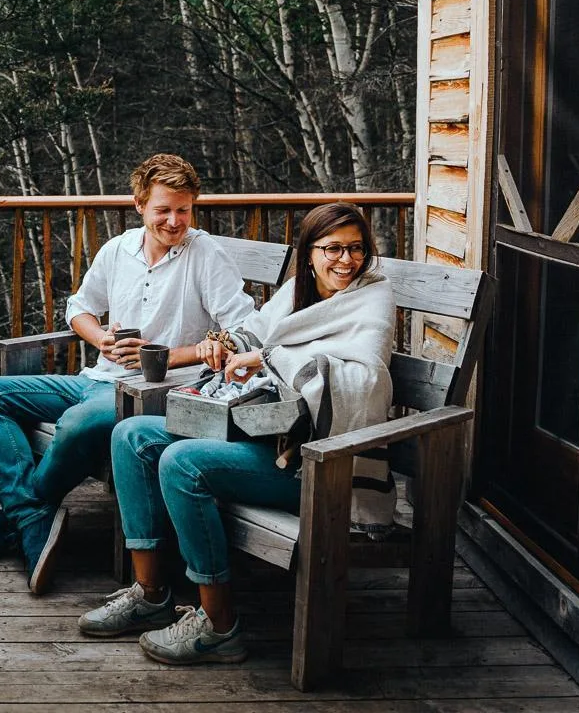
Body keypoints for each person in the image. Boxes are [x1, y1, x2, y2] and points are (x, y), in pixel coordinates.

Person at [77, 202, 395, 664]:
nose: (345, 261)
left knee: (182, 462)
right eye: (332, 249)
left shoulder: (371, 298)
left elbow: (362, 380)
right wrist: (224, 345)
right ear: (309, 253)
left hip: (318, 463)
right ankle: (150, 596)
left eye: (356, 249)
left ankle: (219, 623)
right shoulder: (297, 292)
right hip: (267, 434)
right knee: (132, 435)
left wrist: (267, 362)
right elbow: (257, 332)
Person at [0, 154, 258, 594]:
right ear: (139, 204)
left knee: (81, 422)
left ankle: (18, 517)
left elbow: (244, 329)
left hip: (153, 393)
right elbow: (79, 309)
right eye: (163, 209)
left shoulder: (205, 254)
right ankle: (28, 514)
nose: (175, 221)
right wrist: (100, 338)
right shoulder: (118, 249)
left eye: (184, 209)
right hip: (96, 377)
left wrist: (172, 356)